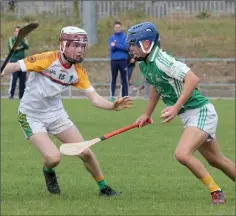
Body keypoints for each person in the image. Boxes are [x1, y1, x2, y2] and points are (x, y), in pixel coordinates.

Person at [1, 26, 133, 196]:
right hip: (31, 115)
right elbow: (15, 66)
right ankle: (48, 171)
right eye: (75, 46)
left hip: (56, 115)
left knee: (85, 151)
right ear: (64, 45)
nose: (80, 51)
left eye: (82, 47)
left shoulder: (78, 72)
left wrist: (112, 106)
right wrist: (3, 71)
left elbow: (94, 98)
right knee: (53, 158)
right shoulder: (47, 59)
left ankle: (104, 188)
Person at [126, 22, 235, 204]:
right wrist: (147, 114)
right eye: (130, 44)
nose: (131, 48)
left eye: (134, 44)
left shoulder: (163, 60)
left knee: (182, 153)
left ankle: (216, 192)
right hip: (190, 114)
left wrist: (175, 107)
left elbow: (192, 79)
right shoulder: (145, 63)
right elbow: (156, 86)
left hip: (200, 111)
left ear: (147, 44)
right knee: (216, 160)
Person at [108, 20, 129, 102]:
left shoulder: (125, 37)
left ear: (121, 27)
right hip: (114, 61)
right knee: (113, 78)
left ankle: (125, 96)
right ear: (114, 28)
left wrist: (116, 45)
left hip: (123, 60)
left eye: (119, 27)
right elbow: (111, 48)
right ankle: (112, 96)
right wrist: (116, 46)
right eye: (116, 27)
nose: (117, 29)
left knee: (124, 79)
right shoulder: (112, 37)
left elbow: (126, 48)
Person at [8, 26, 29, 99]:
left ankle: (21, 97)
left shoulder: (24, 39)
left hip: (22, 62)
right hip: (13, 62)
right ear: (14, 32)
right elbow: (12, 48)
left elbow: (26, 47)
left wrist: (21, 40)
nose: (18, 33)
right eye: (17, 31)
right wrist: (20, 47)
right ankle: (11, 96)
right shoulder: (11, 39)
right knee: (13, 80)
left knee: (22, 81)